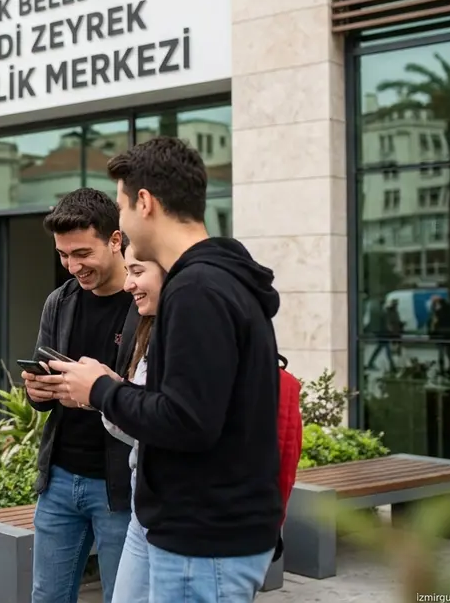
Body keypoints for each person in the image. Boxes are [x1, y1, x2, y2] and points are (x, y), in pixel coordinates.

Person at [49, 137, 282, 602]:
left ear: (144, 202)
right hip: (187, 527)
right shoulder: (210, 280)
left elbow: (187, 421)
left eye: (120, 206)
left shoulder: (197, 288)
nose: (121, 221)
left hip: (203, 540)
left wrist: (99, 390)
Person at [19, 188, 137, 602]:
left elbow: (152, 398)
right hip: (60, 478)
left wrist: (97, 392)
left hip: (120, 485)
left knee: (122, 597)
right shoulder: (61, 300)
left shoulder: (146, 301)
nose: (72, 267)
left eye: (82, 253)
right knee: (46, 596)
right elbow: (43, 391)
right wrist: (37, 390)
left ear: (116, 240)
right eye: (64, 255)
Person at [100, 243, 166, 602]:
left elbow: (170, 423)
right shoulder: (149, 329)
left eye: (137, 271)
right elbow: (140, 423)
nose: (128, 284)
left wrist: (105, 394)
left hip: (177, 514)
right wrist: (112, 395)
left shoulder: (188, 333)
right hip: (145, 503)